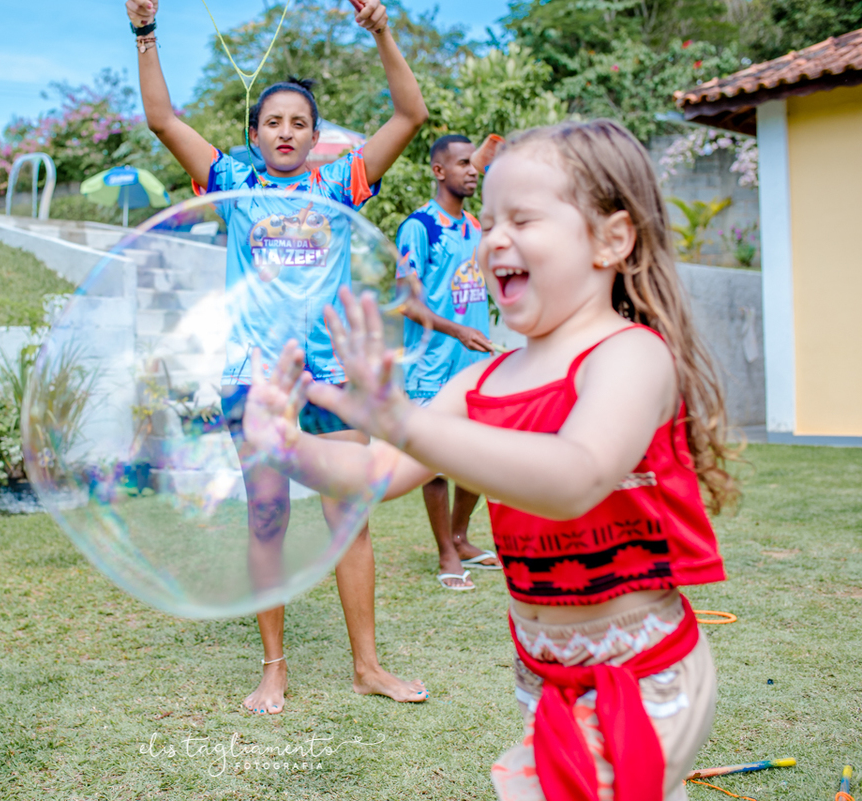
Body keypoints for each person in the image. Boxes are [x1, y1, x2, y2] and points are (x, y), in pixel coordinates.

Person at [244, 119, 737, 800]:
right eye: (489, 221)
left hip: (642, 671)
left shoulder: (630, 355)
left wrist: (404, 420)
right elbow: (373, 475)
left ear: (612, 239)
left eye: (522, 219)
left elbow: (575, 477)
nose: (494, 238)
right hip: (545, 673)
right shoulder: (485, 380)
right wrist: (286, 444)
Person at [125, 0, 430, 714]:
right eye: (273, 122)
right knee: (267, 515)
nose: (286, 131)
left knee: (349, 517)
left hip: (330, 383)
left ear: (316, 137)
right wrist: (145, 31)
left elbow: (410, 115)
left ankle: (368, 667)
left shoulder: (338, 186)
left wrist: (382, 31)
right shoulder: (235, 185)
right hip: (254, 380)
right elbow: (162, 119)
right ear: (254, 134)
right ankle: (273, 670)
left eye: (298, 122)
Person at [396, 133, 498, 591]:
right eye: (462, 164)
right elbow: (406, 302)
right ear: (439, 171)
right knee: (434, 463)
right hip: (430, 368)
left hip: (473, 365)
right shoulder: (419, 227)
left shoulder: (476, 226)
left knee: (477, 457)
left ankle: (461, 536)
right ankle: (445, 552)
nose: (472, 171)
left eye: (473, 164)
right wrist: (458, 331)